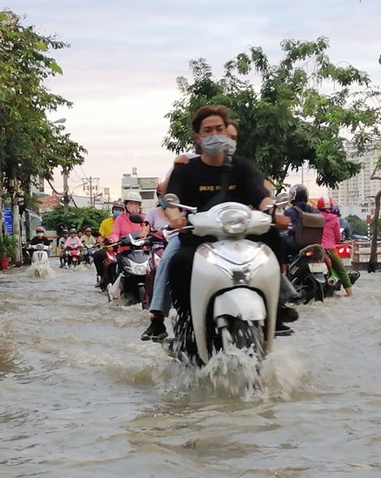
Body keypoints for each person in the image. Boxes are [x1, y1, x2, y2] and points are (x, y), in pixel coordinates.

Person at [144, 105, 289, 343]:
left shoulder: (241, 167)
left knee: (272, 239)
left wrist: (272, 211)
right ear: (198, 138)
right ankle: (186, 322)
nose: (215, 135)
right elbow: (173, 200)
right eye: (207, 130)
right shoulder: (186, 170)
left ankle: (277, 306)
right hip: (200, 238)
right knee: (179, 262)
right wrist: (175, 217)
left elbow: (259, 194)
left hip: (242, 237)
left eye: (219, 129)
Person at [316, 196, 353, 297]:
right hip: (330, 248)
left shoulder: (313, 216)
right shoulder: (335, 219)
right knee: (341, 269)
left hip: (315, 247)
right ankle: (349, 293)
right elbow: (338, 236)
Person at [93, 202, 125, 288]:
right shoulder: (105, 223)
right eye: (116, 210)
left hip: (122, 248)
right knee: (97, 255)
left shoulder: (126, 222)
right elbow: (100, 236)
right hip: (108, 248)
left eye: (120, 210)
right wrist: (104, 240)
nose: (118, 211)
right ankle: (102, 276)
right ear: (113, 210)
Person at [283, 183, 318, 259]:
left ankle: (284, 266)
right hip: (313, 245)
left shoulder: (289, 212)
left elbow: (287, 228)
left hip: (294, 246)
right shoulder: (313, 210)